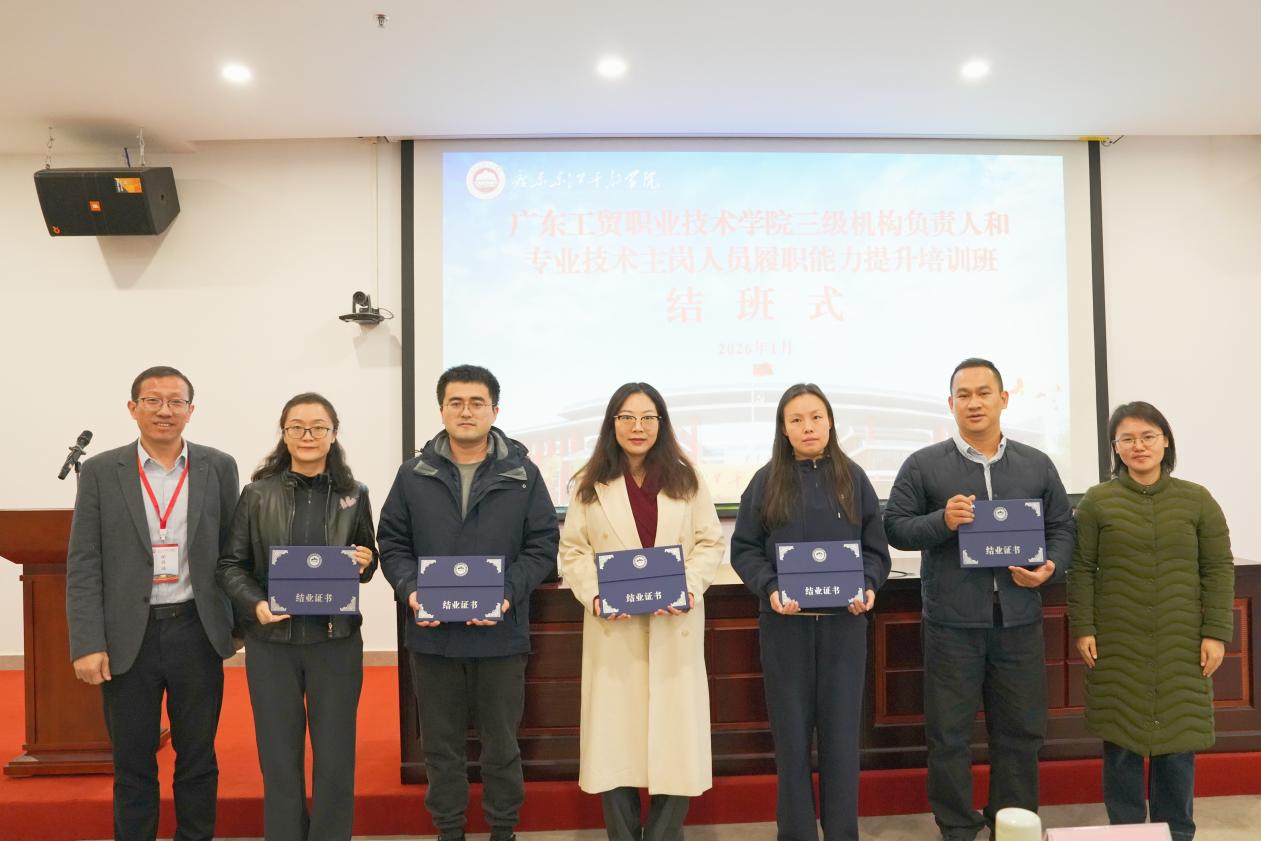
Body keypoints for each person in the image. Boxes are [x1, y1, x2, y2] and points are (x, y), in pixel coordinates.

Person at [883, 358, 1075, 841]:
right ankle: (957, 827)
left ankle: (1012, 823)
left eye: (984, 393)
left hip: (1018, 619)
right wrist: (941, 521)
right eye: (964, 395)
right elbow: (895, 527)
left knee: (1021, 731)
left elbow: (1062, 527)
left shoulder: (1036, 463)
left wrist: (1051, 566)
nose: (974, 403)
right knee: (948, 734)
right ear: (951, 404)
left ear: (1003, 399)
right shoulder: (923, 465)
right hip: (952, 624)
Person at [377, 364, 560, 841]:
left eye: (477, 402)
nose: (466, 411)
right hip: (433, 637)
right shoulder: (413, 475)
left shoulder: (523, 474)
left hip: (500, 635)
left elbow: (542, 546)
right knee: (440, 748)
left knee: (501, 746)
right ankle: (449, 830)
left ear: (494, 411)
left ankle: (503, 830)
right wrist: (410, 590)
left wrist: (506, 594)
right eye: (455, 402)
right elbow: (392, 543)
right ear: (441, 410)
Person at [66, 365, 240, 841]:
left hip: (196, 630)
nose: (165, 411)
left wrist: (238, 625)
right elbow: (84, 562)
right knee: (133, 762)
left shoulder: (218, 466)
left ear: (190, 410)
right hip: (128, 636)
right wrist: (87, 642)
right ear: (133, 408)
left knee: (198, 757)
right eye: (153, 400)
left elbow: (234, 549)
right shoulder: (102, 471)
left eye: (175, 401)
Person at [558, 382, 725, 841]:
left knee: (676, 744)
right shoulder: (589, 484)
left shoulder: (687, 479)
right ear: (612, 424)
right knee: (616, 745)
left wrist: (688, 588)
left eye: (648, 417)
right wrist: (596, 595)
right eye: (627, 417)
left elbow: (710, 542)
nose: (638, 426)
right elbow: (573, 551)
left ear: (661, 423)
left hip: (674, 626)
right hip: (616, 631)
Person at [730, 383, 891, 841]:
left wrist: (868, 585)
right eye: (796, 419)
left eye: (816, 417)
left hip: (844, 628)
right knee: (792, 743)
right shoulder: (766, 481)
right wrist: (770, 587)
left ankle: (842, 833)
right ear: (783, 429)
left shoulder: (853, 478)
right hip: (785, 629)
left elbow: (875, 551)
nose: (808, 427)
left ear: (830, 421)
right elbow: (744, 549)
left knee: (842, 741)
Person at [1067, 402, 1233, 841]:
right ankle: (1125, 833)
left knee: (1177, 745)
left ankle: (1177, 833)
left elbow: (1218, 568)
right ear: (1115, 448)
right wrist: (1083, 627)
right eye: (1127, 439)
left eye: (1147, 436)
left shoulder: (1197, 499)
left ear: (1165, 441)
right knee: (1121, 743)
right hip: (1116, 642)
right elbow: (1081, 569)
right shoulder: (1097, 501)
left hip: (1182, 642)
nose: (1138, 446)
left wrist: (1216, 633)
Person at [216, 392, 378, 841]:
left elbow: (367, 560)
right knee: (279, 758)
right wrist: (256, 604)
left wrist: (366, 561)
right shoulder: (257, 494)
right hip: (272, 645)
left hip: (335, 642)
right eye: (297, 427)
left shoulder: (354, 494)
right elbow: (230, 565)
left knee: (336, 758)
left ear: (333, 434)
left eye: (318, 427)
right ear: (284, 434)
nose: (308, 435)